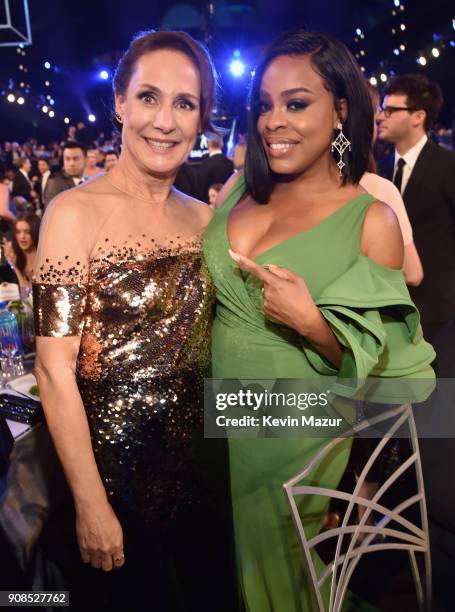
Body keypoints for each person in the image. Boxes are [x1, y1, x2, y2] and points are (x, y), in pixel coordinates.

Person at [203, 30, 435, 611]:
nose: (273, 121)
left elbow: (369, 370)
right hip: (210, 415)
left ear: (341, 112)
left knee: (280, 577)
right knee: (211, 567)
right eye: (265, 105)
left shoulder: (371, 219)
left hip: (290, 426)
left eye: (297, 103)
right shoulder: (238, 190)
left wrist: (312, 322)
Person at [33, 29, 237, 612]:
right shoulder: (73, 214)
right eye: (149, 97)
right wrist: (92, 503)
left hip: (204, 477)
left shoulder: (207, 224)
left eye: (185, 103)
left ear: (202, 119)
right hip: (114, 486)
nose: (164, 121)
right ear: (120, 102)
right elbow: (53, 371)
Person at [377, 74, 455, 609]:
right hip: (403, 320)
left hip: (446, 317)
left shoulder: (448, 166)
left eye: (390, 108)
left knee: (437, 431)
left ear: (418, 116)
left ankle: (438, 529)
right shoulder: (384, 173)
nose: (381, 115)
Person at [4, 212, 40, 293]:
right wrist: (14, 266)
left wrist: (15, 268)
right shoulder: (13, 252)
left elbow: (29, 293)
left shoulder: (43, 256)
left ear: (35, 232)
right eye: (18, 232)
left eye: (27, 232)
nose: (22, 236)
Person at [43, 142, 86, 209]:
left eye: (75, 159)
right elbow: (52, 213)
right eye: (67, 159)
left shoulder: (89, 182)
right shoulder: (55, 183)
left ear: (85, 160)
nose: (71, 163)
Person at [197, 132, 233, 201]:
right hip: (229, 206)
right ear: (222, 144)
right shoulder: (231, 164)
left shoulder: (204, 165)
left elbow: (200, 191)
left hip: (207, 208)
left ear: (208, 144)